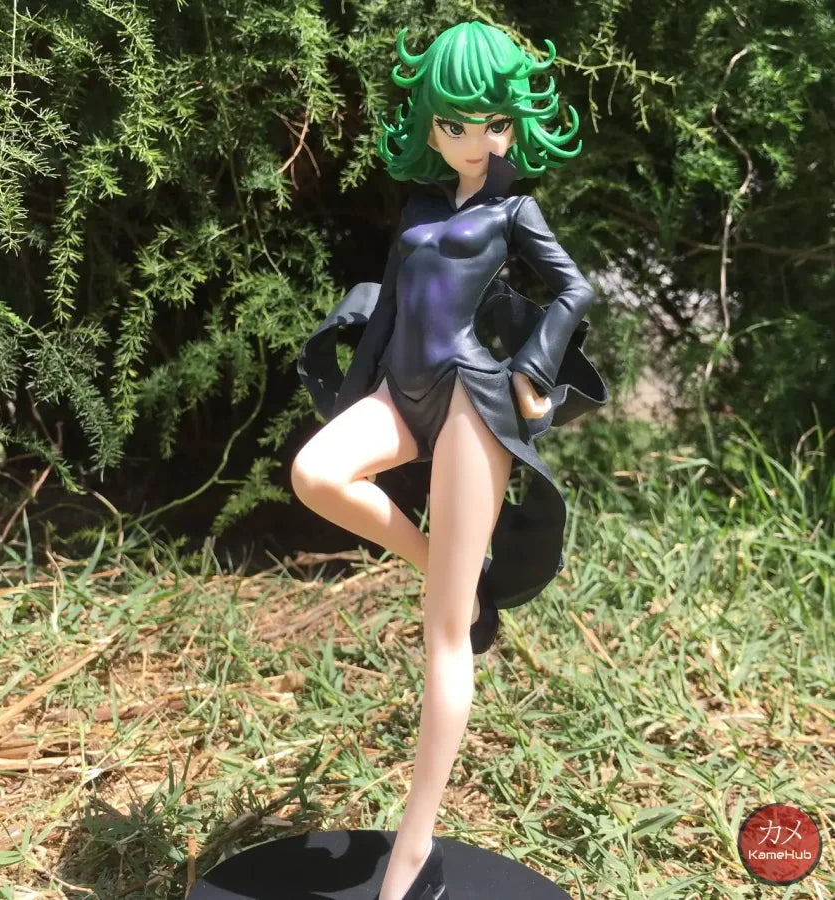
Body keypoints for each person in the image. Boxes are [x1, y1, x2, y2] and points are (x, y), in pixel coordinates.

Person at [292, 20, 608, 900]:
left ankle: (412, 849)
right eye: (459, 123)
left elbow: (575, 288)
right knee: (316, 474)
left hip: (472, 396)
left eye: (496, 123)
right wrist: (355, 396)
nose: (479, 140)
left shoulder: (514, 211)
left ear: (515, 126)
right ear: (431, 126)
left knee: (442, 636)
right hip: (400, 390)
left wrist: (534, 370)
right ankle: (452, 575)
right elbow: (391, 312)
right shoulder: (420, 211)